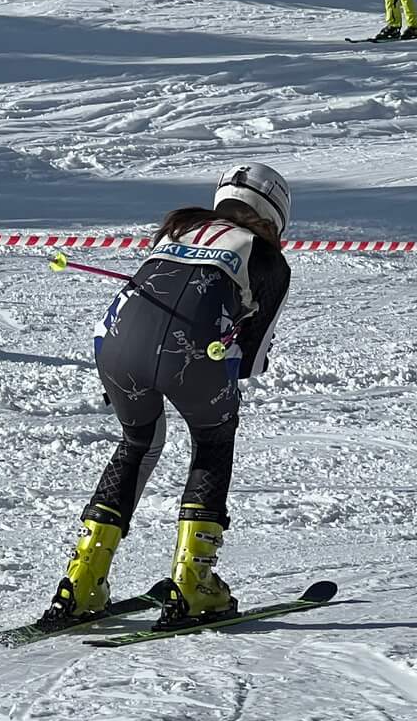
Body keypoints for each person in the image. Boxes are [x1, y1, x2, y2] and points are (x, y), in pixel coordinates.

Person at [40, 164, 294, 631]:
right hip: (191, 356)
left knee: (138, 443)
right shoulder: (267, 257)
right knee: (213, 440)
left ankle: (83, 578)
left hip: (114, 347)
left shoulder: (179, 226)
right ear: (276, 214)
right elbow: (252, 360)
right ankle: (194, 582)